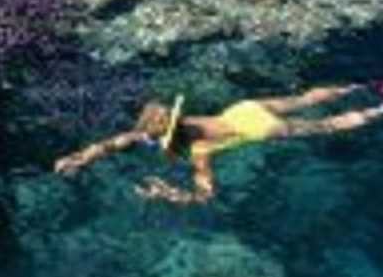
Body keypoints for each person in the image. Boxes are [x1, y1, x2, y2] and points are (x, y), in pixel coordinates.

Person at [54, 81, 383, 204]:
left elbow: (206, 194)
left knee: (326, 125)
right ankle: (360, 86)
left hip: (260, 129)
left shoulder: (199, 151)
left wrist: (168, 194)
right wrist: (80, 157)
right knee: (303, 98)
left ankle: (379, 109)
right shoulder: (186, 122)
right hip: (243, 109)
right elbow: (116, 142)